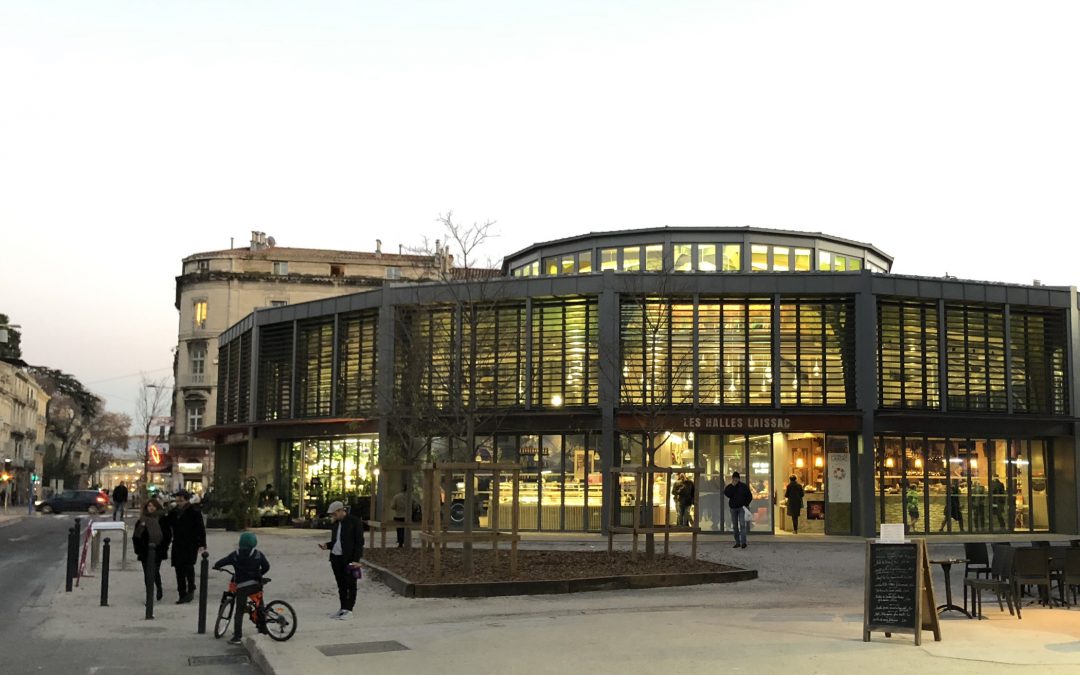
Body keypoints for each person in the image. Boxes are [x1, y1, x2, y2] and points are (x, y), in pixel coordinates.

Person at [214, 532, 271, 645]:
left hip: (242, 587)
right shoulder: (258, 554)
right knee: (260, 605)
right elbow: (266, 566)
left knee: (239, 611)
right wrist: (258, 574)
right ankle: (263, 629)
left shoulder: (235, 554)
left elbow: (221, 562)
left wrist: (217, 566)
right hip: (255, 584)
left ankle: (237, 636)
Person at [318, 500, 363, 620]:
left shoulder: (354, 522)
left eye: (334, 514)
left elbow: (359, 542)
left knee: (351, 584)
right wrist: (327, 545)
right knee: (341, 585)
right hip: (336, 557)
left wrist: (356, 559)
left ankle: (349, 609)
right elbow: (336, 541)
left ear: (340, 510)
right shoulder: (336, 524)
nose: (333, 516)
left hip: (349, 558)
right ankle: (343, 608)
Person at [166, 489, 207, 604]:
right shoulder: (173, 512)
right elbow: (167, 525)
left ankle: (190, 589)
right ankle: (182, 593)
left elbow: (200, 528)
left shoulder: (194, 511)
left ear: (186, 500)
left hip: (190, 543)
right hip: (177, 543)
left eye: (181, 500)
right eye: (177, 500)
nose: (179, 502)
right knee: (178, 568)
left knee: (188, 567)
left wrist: (202, 543)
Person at [132, 498, 170, 601]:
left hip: (158, 549)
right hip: (144, 550)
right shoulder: (141, 520)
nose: (151, 508)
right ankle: (149, 594)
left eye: (153, 506)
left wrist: (164, 547)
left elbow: (167, 535)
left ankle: (158, 588)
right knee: (146, 573)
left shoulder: (162, 519)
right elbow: (136, 536)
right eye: (149, 506)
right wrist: (138, 549)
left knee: (154, 571)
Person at [723, 471, 753, 549]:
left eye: (737, 478)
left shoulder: (743, 486)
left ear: (739, 479)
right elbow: (727, 494)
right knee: (735, 526)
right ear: (732, 479)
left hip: (741, 508)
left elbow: (749, 496)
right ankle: (737, 542)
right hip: (733, 508)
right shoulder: (730, 487)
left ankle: (743, 543)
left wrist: (745, 504)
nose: (735, 480)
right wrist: (732, 486)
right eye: (734, 479)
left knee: (742, 525)